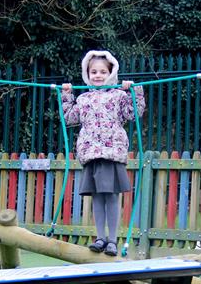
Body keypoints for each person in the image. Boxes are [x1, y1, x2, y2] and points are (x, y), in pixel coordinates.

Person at [61, 50, 145, 256]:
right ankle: (100, 237)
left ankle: (113, 240)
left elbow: (134, 113)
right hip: (90, 151)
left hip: (111, 151)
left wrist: (134, 91)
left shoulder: (118, 96)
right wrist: (66, 95)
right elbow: (70, 119)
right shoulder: (83, 98)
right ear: (87, 74)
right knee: (97, 197)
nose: (97, 76)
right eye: (93, 72)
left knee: (111, 196)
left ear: (111, 73)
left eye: (102, 72)